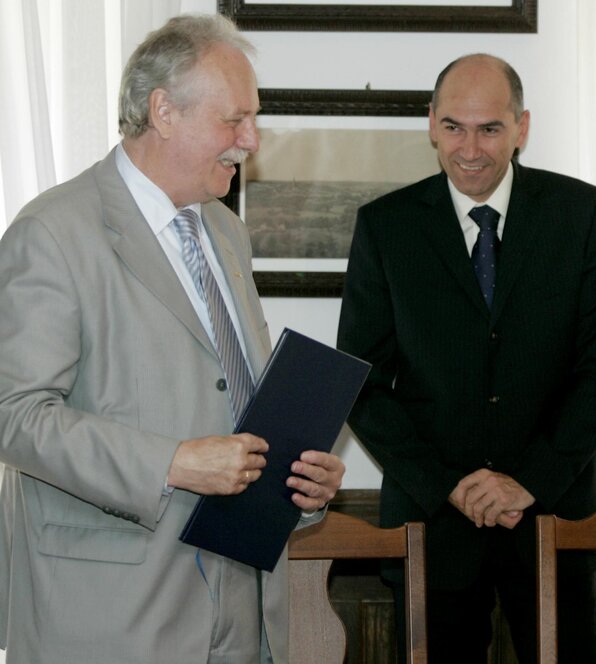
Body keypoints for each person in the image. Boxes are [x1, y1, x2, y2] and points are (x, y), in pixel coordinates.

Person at [0, 14, 345, 664]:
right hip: (112, 619)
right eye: (234, 119)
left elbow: (241, 406)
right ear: (163, 111)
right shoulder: (52, 234)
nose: (251, 139)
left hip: (246, 611)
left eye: (254, 119)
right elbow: (14, 416)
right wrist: (171, 462)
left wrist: (298, 482)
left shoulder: (226, 234)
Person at [337, 53, 596, 663]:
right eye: (453, 127)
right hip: (431, 528)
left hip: (554, 521)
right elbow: (361, 381)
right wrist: (449, 487)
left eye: (490, 129)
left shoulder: (582, 215)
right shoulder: (385, 227)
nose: (470, 148)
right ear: (431, 124)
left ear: (522, 127)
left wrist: (529, 482)